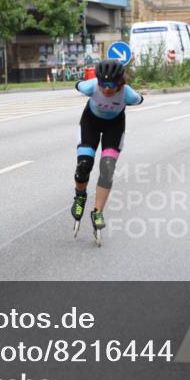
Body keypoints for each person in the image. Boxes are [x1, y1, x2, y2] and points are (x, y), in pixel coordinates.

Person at [71, 58, 143, 244]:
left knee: (107, 167)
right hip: (91, 123)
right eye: (103, 84)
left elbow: (139, 99)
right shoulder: (91, 87)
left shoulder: (127, 93)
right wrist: (80, 84)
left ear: (120, 81)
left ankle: (98, 212)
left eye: (112, 84)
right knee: (84, 164)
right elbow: (78, 85)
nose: (107, 89)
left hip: (114, 126)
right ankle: (80, 196)